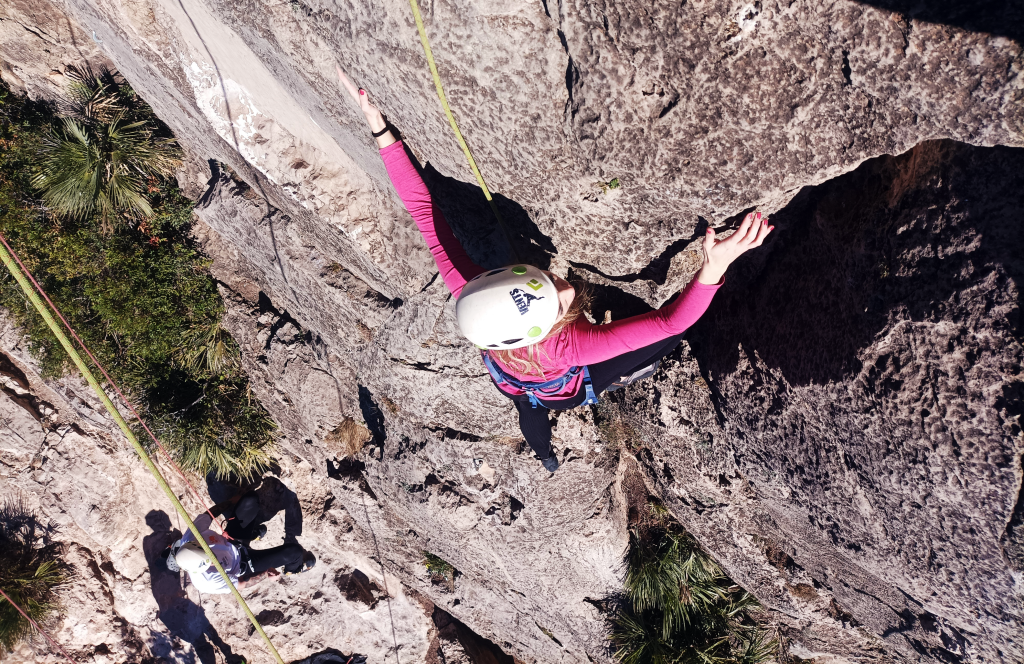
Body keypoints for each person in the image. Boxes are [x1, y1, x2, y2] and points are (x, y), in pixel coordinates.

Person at [337, 68, 772, 473]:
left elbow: (423, 209)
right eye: (557, 300)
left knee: (527, 405)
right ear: (544, 330)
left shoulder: (472, 292)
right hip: (568, 383)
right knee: (667, 342)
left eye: (544, 283)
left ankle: (543, 454)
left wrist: (378, 126)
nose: (564, 289)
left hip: (513, 380)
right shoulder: (572, 348)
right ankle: (545, 455)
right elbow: (672, 320)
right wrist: (713, 266)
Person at [164, 493, 315, 594]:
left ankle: (252, 534)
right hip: (245, 565)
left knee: (250, 499)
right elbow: (241, 584)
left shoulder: (191, 536)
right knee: (294, 552)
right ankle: (293, 569)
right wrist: (265, 575)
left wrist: (231, 502)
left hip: (233, 541)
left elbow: (208, 515)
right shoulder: (207, 582)